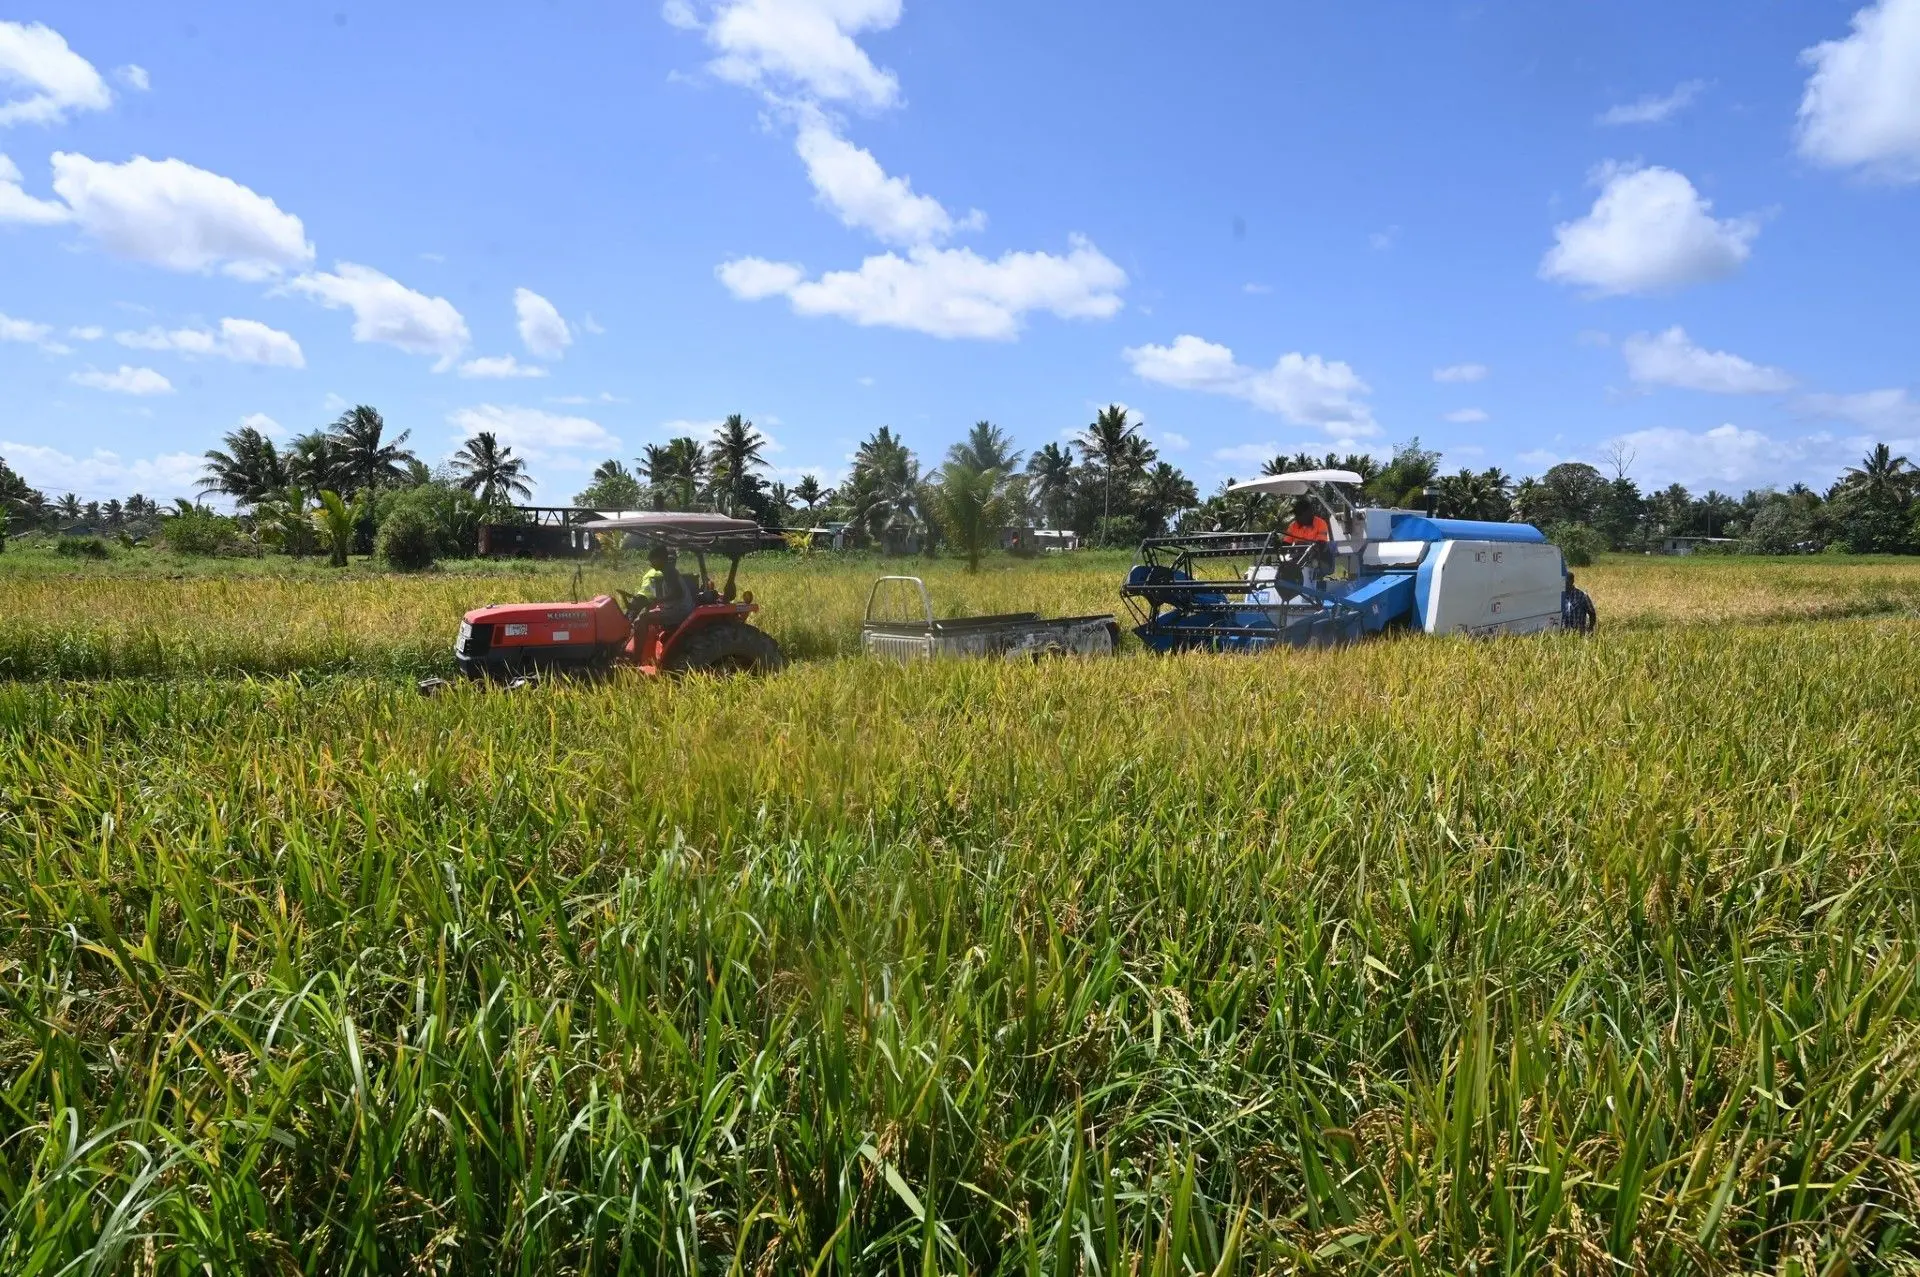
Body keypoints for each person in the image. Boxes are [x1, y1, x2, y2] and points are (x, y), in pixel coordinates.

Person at [635, 545, 693, 627]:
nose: (651, 564)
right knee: (642, 616)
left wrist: (658, 600)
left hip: (680, 610)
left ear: (661, 559)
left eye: (652, 560)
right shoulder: (667, 570)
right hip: (675, 607)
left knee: (642, 618)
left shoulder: (669, 571)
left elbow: (677, 593)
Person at [1283, 498, 1333, 589]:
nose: (1297, 517)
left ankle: (1312, 589)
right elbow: (1286, 544)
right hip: (1298, 558)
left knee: (1310, 561)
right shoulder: (1293, 525)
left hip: (1320, 559)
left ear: (1309, 513)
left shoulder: (1321, 523)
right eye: (1296, 514)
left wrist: (1301, 545)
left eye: (1299, 514)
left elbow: (1320, 545)